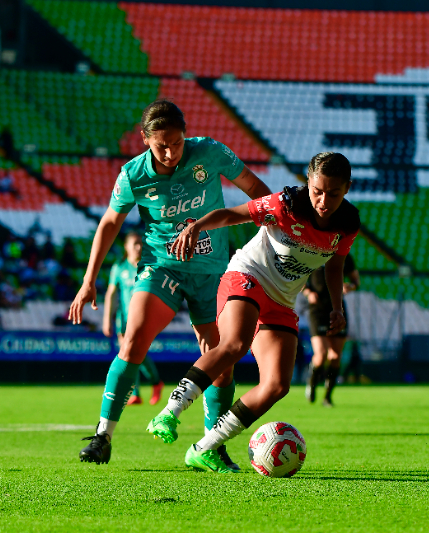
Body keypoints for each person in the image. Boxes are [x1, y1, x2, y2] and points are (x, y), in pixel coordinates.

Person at [68, 99, 272, 466]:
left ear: (185, 135)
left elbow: (256, 188)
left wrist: (278, 229)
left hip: (213, 272)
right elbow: (110, 222)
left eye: (176, 143)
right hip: (162, 268)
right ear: (144, 139)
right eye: (161, 145)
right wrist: (89, 279)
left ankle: (211, 448)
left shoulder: (209, 152)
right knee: (133, 339)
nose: (170, 152)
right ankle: (102, 436)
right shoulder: (133, 175)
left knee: (221, 360)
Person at [147, 152, 359, 473]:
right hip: (247, 276)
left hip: (282, 301)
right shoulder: (285, 204)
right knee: (235, 344)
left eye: (334, 193)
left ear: (347, 188)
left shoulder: (348, 223)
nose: (323, 200)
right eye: (317, 191)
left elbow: (335, 265)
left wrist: (337, 306)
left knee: (277, 385)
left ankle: (204, 448)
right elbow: (231, 215)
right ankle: (169, 412)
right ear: (308, 183)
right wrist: (196, 227)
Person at [103, 231, 165, 406]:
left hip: (143, 318)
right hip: (123, 318)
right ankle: (136, 392)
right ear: (126, 247)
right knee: (128, 354)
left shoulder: (149, 266)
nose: (138, 247)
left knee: (136, 353)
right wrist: (107, 319)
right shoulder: (119, 267)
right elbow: (111, 293)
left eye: (140, 243)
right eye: (135, 244)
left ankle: (153, 383)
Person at [303, 253, 360, 407]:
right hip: (317, 309)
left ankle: (327, 396)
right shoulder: (313, 252)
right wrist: (308, 292)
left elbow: (356, 281)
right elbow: (298, 278)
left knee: (335, 356)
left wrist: (350, 286)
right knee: (321, 354)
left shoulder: (344, 255)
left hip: (337, 308)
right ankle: (312, 384)